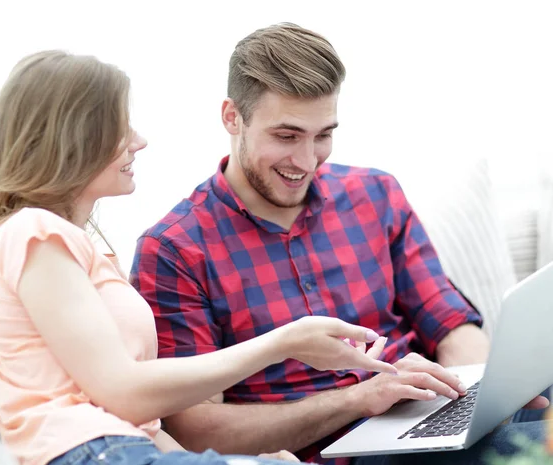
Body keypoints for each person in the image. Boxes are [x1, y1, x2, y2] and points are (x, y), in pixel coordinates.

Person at [130, 23, 551, 465]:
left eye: (323, 135)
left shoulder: (375, 194)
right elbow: (199, 432)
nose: (307, 161)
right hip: (343, 453)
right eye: (287, 136)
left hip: (425, 421)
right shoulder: (174, 251)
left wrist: (479, 399)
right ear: (233, 117)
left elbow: (450, 323)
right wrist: (358, 400)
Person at [0, 50, 399, 465]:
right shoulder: (34, 234)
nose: (139, 141)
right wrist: (282, 343)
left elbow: (137, 420)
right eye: (120, 127)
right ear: (73, 138)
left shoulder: (74, 250)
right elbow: (123, 394)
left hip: (121, 448)